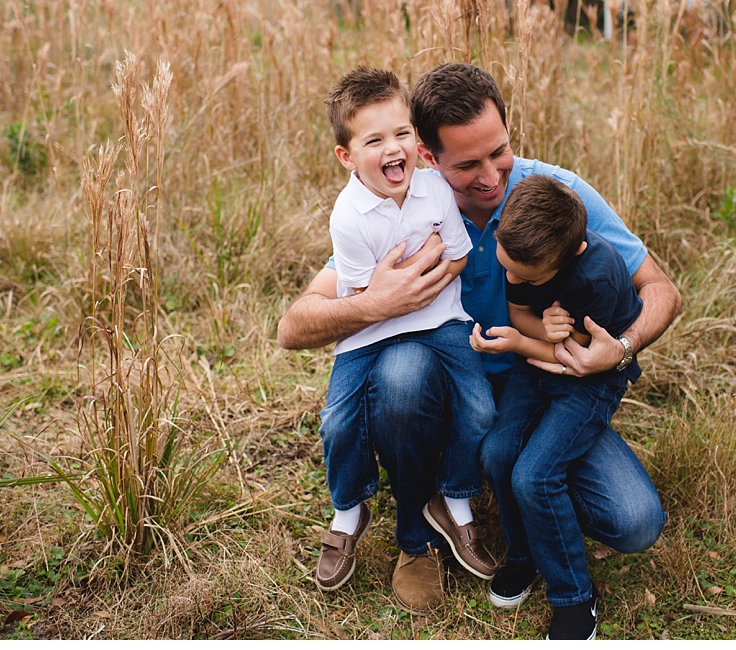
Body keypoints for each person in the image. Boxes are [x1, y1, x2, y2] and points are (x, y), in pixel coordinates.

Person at [278, 62, 681, 618]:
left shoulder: (552, 198)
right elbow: (293, 324)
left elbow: (661, 289)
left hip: (538, 391)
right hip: (448, 391)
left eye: (500, 152)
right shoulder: (410, 206)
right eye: (467, 164)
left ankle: (496, 487)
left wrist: (625, 344)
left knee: (634, 522)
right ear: (428, 155)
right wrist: (378, 302)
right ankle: (418, 520)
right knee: (400, 373)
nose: (491, 177)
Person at [310, 67, 498, 600]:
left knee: (481, 409)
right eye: (374, 141)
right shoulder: (348, 218)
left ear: (418, 139)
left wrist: (428, 276)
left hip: (443, 321)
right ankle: (349, 508)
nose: (393, 149)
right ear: (347, 156)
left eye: (401, 134)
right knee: (337, 421)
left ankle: (453, 500)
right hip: (371, 330)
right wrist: (395, 292)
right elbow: (363, 300)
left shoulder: (435, 189)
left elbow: (459, 255)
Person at [469, 173, 643, 640]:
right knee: (498, 452)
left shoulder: (599, 275)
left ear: (568, 258)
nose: (511, 277)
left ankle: (574, 598)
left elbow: (578, 359)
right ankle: (524, 555)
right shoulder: (522, 248)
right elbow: (522, 312)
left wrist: (524, 342)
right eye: (508, 266)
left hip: (589, 380)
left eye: (525, 277)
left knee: (535, 475)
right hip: (537, 362)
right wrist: (535, 328)